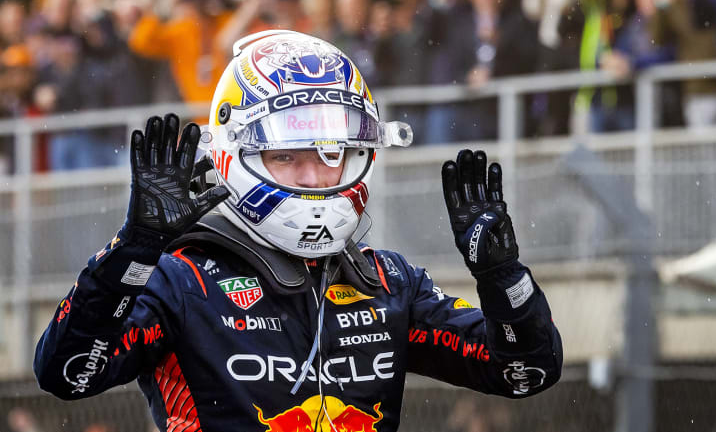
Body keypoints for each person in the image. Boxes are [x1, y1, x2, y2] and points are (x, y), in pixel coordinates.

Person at [33, 30, 563, 432]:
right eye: (286, 156)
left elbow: (526, 372)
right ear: (232, 156)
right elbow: (66, 374)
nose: (313, 177)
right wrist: (133, 250)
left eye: (331, 154)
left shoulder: (391, 282)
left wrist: (502, 277)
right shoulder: (182, 281)